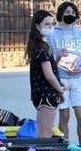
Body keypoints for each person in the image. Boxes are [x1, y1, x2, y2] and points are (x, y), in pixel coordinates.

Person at [49, 2, 81, 145]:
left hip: (78, 79)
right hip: (60, 80)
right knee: (64, 116)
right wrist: (57, 56)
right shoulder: (52, 34)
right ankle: (66, 147)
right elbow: (47, 58)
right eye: (67, 12)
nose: (71, 15)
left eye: (73, 12)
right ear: (61, 13)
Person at [25, 10, 65, 138]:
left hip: (41, 94)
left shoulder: (38, 45)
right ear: (37, 26)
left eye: (52, 24)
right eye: (47, 24)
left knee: (43, 133)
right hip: (46, 94)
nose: (51, 27)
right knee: (44, 136)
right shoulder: (42, 47)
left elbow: (48, 69)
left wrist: (56, 58)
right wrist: (60, 90)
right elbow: (48, 75)